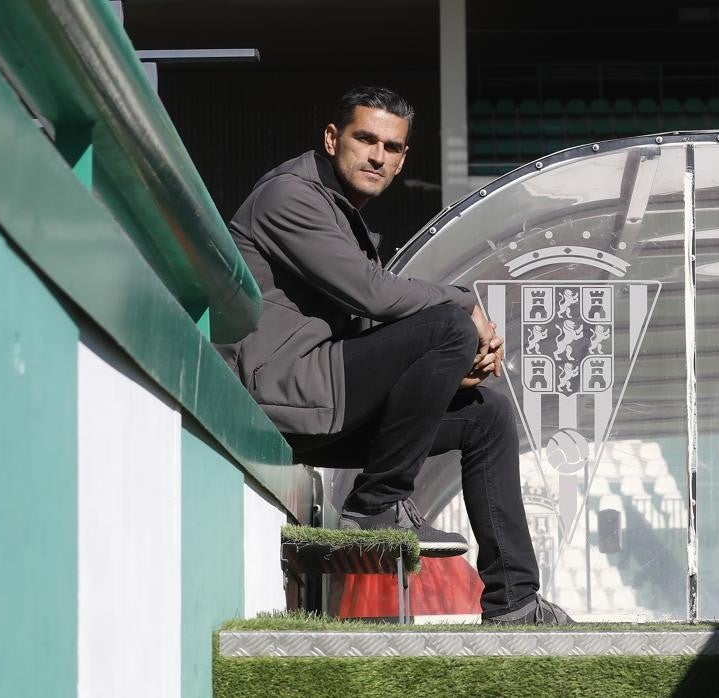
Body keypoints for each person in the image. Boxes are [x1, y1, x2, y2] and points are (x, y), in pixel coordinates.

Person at [216, 86, 572, 625]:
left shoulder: (344, 213)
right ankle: (377, 504)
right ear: (333, 138)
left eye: (393, 147)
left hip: (326, 396)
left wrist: (453, 371)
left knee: (488, 414)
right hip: (284, 395)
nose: (378, 156)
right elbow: (374, 296)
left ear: (404, 158)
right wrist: (466, 311)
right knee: (448, 324)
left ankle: (514, 599)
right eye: (365, 139)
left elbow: (373, 328)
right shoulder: (289, 197)